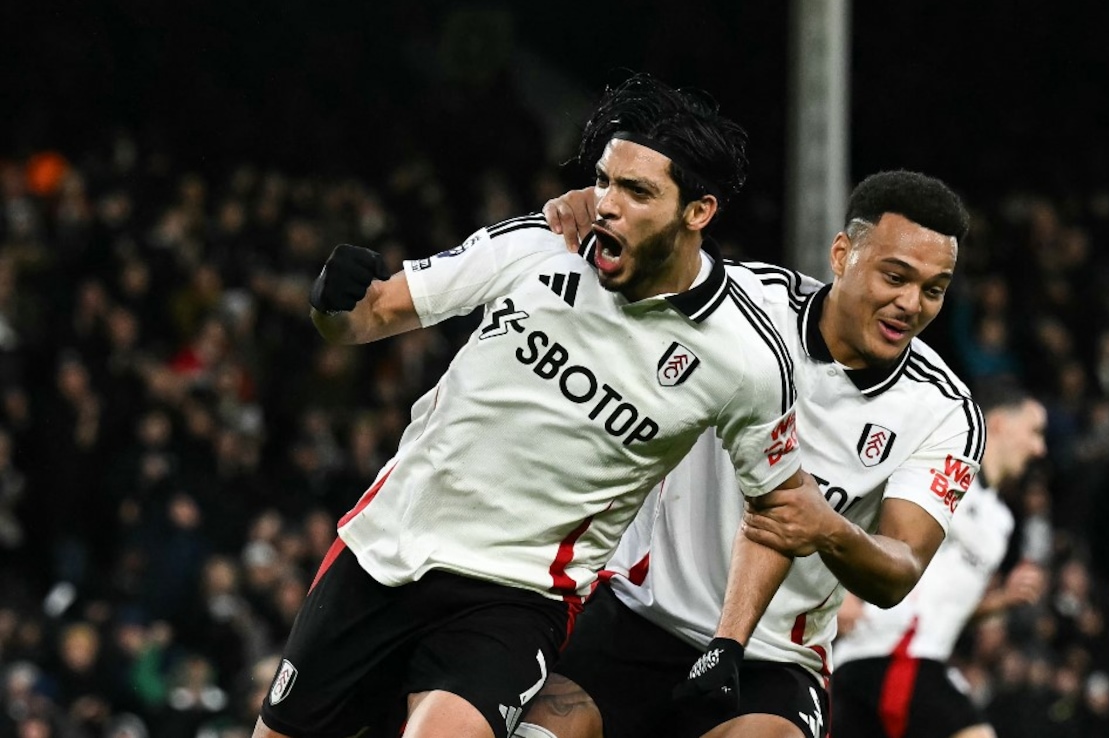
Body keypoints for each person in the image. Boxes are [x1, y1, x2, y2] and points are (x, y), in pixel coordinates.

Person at [253, 73, 809, 738]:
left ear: (698, 212)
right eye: (604, 180)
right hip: (384, 548)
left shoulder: (744, 359)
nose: (607, 204)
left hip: (515, 593)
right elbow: (371, 314)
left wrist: (731, 638)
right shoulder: (540, 246)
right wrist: (333, 305)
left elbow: (778, 502)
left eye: (638, 192)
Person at [521, 170, 978, 738]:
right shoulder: (739, 301)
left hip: (773, 663)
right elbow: (634, 260)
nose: (910, 303)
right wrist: (595, 216)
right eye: (895, 276)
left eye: (933, 289)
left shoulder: (944, 413)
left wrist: (828, 530)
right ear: (842, 254)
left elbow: (900, 571)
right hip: (637, 614)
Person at [830, 381, 1048, 738]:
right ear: (999, 424)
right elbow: (857, 517)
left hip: (916, 661)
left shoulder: (1001, 523)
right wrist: (841, 594)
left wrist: (1001, 601)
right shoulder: (938, 474)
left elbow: (945, 609)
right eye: (1034, 432)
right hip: (885, 657)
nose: (1040, 448)